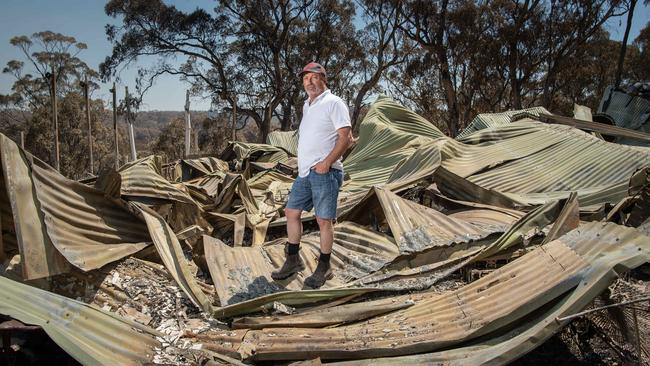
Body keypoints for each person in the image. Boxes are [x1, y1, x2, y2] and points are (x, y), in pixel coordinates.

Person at [271, 62, 353, 288]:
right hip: (306, 172)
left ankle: (325, 267)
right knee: (291, 212)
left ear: (323, 78)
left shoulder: (334, 102)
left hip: (325, 172)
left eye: (313, 77)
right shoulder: (308, 105)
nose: (308, 82)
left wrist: (327, 162)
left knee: (323, 220)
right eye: (305, 78)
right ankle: (293, 259)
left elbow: (345, 136)